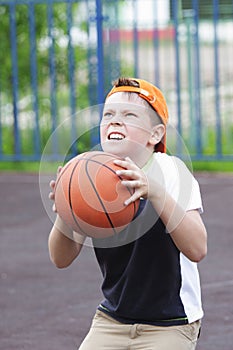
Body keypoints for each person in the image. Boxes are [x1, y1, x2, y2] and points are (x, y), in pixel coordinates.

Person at [48, 77, 207, 350]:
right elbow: (60, 259)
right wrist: (67, 208)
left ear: (155, 135)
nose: (115, 120)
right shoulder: (90, 176)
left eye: (129, 115)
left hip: (171, 322)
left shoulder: (172, 172)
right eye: (108, 114)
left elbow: (198, 248)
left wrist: (155, 192)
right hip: (112, 319)